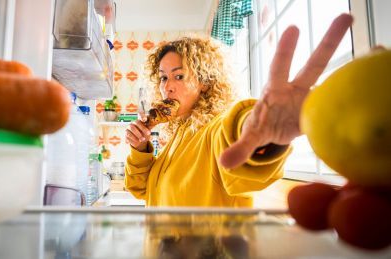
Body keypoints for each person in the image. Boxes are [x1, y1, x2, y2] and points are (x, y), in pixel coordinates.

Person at [124, 14, 353, 207]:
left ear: (204, 81)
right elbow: (141, 189)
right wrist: (141, 149)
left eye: (179, 76)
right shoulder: (178, 136)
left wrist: (263, 127)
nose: (167, 86)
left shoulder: (214, 130)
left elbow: (236, 142)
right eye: (163, 77)